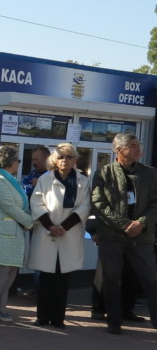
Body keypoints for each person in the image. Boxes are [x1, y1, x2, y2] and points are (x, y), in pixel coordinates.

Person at [90, 132, 157, 335]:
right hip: (111, 235)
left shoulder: (150, 173)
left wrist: (141, 223)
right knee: (111, 279)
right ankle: (114, 321)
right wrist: (125, 224)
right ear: (119, 150)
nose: (138, 149)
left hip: (141, 236)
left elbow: (155, 203)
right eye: (133, 145)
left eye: (139, 145)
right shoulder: (104, 173)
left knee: (151, 279)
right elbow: (98, 203)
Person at [27, 142, 90, 328]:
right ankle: (42, 317)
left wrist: (63, 227)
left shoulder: (83, 181)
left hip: (68, 233)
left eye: (69, 157)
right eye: (61, 157)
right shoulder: (45, 179)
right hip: (48, 232)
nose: (65, 160)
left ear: (75, 160)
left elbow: (85, 206)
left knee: (63, 278)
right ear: (54, 159)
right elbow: (36, 203)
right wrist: (50, 226)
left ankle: (57, 319)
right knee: (46, 276)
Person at [0, 145, 35, 322]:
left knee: (10, 273)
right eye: (17, 160)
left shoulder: (12, 180)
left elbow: (22, 205)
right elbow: (9, 206)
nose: (19, 163)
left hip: (14, 232)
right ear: (8, 161)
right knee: (0, 273)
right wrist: (29, 221)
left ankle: (1, 307)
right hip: (1, 233)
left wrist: (28, 218)